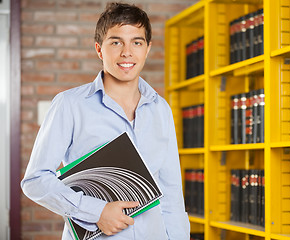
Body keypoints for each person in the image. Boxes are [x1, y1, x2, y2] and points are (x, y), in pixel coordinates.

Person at [21, 2, 190, 239]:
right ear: (99, 49)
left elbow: (171, 194)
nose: (127, 52)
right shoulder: (69, 105)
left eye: (137, 42)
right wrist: (96, 212)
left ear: (148, 49)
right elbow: (35, 181)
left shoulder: (161, 109)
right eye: (116, 42)